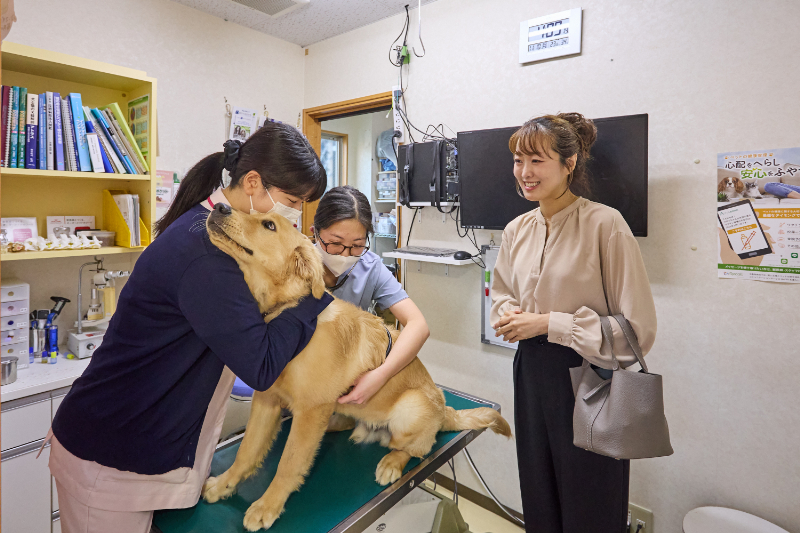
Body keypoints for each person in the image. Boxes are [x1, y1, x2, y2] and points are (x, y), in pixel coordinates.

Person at [47, 122, 332, 533]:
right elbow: (261, 366)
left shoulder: (212, 230)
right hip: (109, 456)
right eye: (292, 201)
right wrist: (313, 296)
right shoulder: (206, 256)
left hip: (138, 443)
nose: (294, 215)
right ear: (253, 183)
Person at [490, 113, 657, 533]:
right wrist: (509, 315)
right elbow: (503, 296)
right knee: (539, 489)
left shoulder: (606, 223)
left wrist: (549, 323)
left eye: (537, 161)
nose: (524, 173)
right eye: (517, 160)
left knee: (592, 499)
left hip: (589, 376)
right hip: (530, 373)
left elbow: (638, 331)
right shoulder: (515, 229)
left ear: (570, 163)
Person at [314, 185, 429, 404]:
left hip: (346, 384)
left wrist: (380, 376)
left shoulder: (370, 266)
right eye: (336, 243)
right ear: (315, 231)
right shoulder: (296, 264)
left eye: (357, 245)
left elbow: (418, 325)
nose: (345, 255)